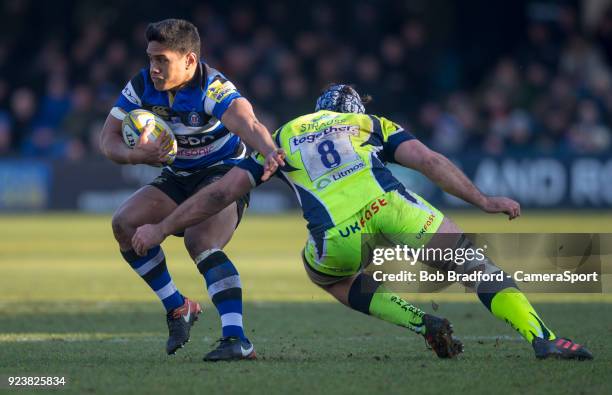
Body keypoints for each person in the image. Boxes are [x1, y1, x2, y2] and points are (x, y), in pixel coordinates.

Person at [131, 84, 593, 360]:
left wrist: (164, 225)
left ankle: (419, 322)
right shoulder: (368, 123)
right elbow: (428, 160)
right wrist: (483, 199)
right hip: (394, 207)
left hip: (337, 236)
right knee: (473, 267)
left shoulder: (285, 135)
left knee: (322, 272)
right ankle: (544, 339)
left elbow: (221, 192)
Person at [99, 18, 284, 361]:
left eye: (162, 60)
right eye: (150, 58)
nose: (153, 68)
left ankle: (237, 339)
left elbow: (248, 122)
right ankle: (178, 307)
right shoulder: (141, 85)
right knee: (123, 224)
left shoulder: (212, 88)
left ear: (189, 61)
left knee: (201, 242)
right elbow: (107, 139)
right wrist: (134, 155)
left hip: (223, 172)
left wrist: (269, 150)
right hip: (179, 176)